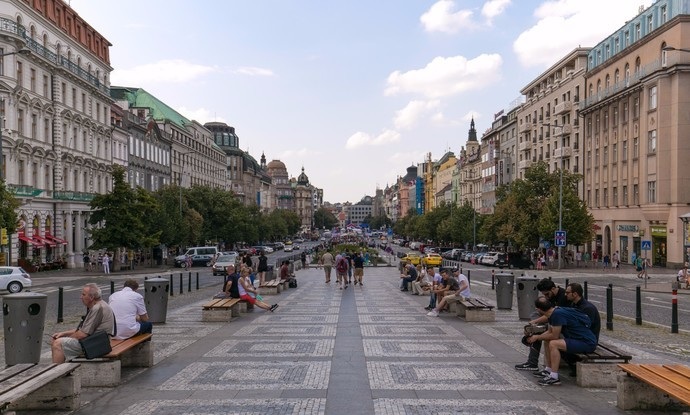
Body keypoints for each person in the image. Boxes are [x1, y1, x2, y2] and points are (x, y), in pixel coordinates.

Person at [527, 297, 597, 386]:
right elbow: (549, 332)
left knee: (554, 343)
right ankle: (548, 370)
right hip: (578, 339)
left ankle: (554, 377)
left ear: (538, 309)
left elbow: (554, 336)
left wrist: (537, 337)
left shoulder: (557, 314)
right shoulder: (553, 312)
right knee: (547, 340)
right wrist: (537, 336)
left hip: (586, 342)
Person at [50, 283, 116, 363]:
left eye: (83, 294)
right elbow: (84, 329)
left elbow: (82, 334)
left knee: (57, 343)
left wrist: (68, 338)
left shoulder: (97, 308)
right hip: (97, 340)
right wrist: (63, 333)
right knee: (57, 340)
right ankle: (64, 369)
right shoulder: (100, 304)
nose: (81, 297)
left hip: (96, 344)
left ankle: (57, 372)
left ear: (91, 297)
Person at [515, 278, 569, 371]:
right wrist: (531, 326)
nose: (546, 297)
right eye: (544, 295)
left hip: (563, 326)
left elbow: (551, 314)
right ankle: (533, 363)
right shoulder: (552, 296)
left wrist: (534, 323)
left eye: (547, 294)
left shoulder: (563, 297)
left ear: (553, 288)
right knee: (535, 323)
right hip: (556, 323)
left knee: (538, 332)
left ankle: (533, 363)